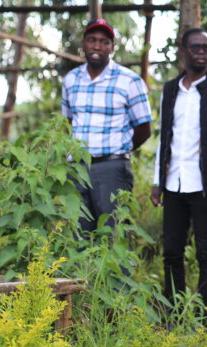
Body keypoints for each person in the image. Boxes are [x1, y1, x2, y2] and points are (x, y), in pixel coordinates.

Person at [151, 28, 207, 309]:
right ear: (184, 51)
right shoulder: (169, 90)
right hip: (174, 183)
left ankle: (205, 313)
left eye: (206, 48)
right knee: (172, 252)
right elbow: (164, 137)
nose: (202, 52)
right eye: (196, 47)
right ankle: (174, 312)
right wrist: (157, 180)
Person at [61, 18, 153, 233]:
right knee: (79, 235)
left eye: (104, 41)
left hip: (111, 169)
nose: (97, 46)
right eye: (92, 40)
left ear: (112, 48)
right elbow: (67, 123)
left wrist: (120, 150)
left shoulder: (129, 81)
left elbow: (144, 128)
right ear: (83, 44)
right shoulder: (71, 80)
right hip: (77, 169)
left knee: (114, 235)